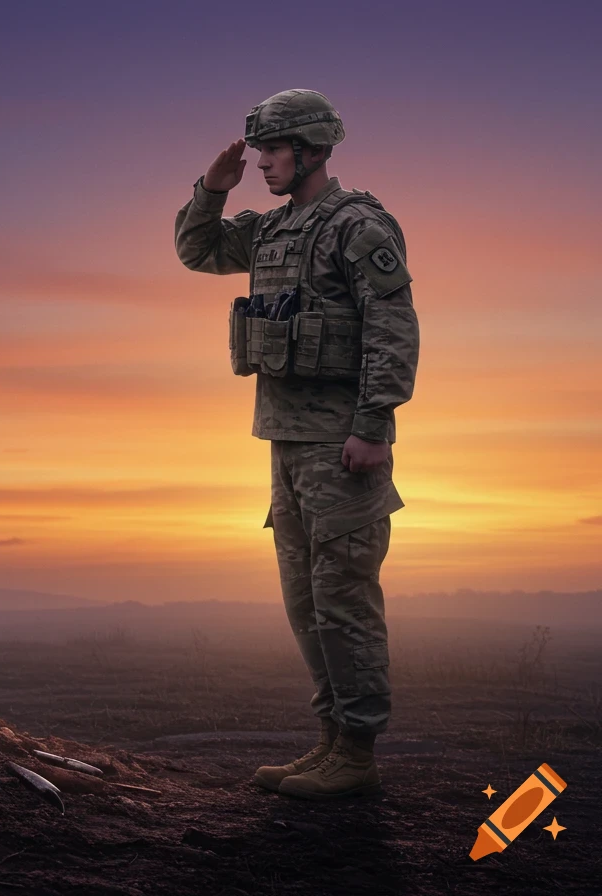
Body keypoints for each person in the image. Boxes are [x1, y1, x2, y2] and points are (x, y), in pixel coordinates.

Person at [175, 89, 420, 800]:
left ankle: (359, 752)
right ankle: (331, 741)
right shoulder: (273, 230)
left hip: (341, 445)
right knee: (304, 601)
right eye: (258, 153)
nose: (262, 165)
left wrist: (373, 427)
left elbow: (393, 329)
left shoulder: (359, 226)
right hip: (285, 442)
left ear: (313, 150)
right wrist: (211, 190)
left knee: (344, 598)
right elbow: (197, 251)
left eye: (273, 152)